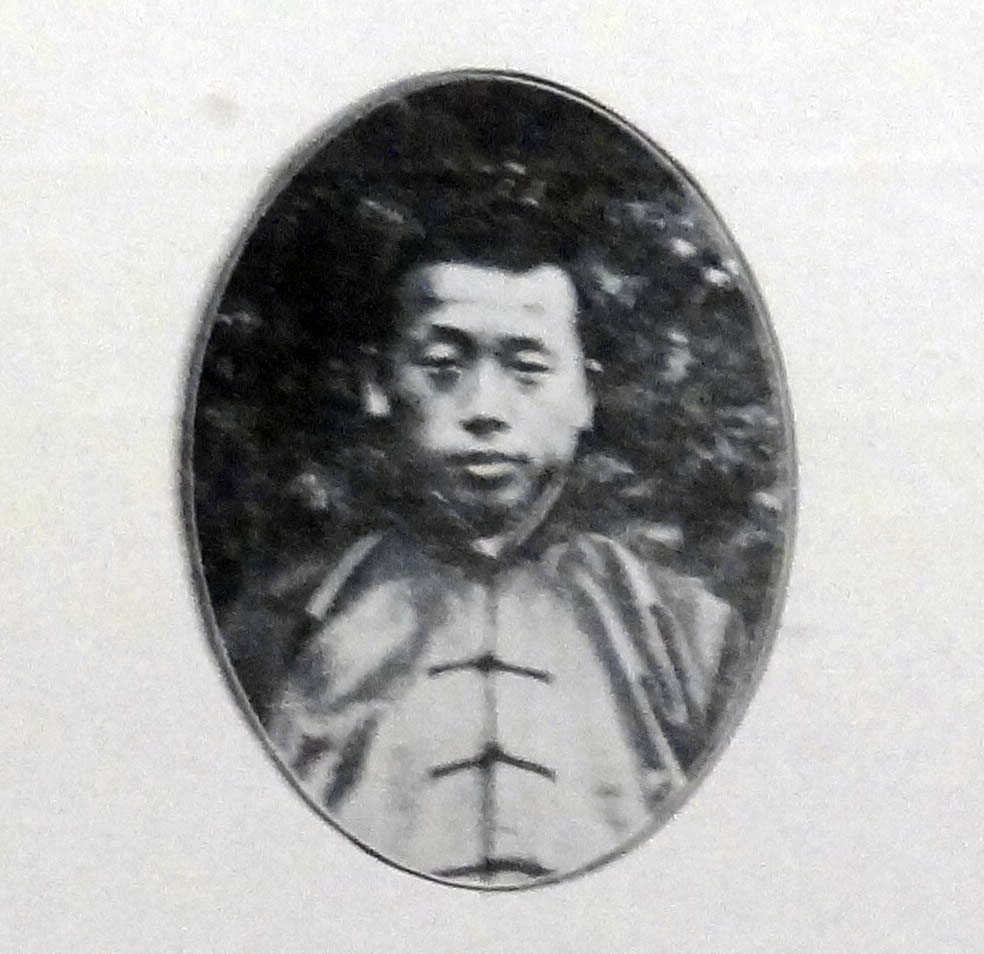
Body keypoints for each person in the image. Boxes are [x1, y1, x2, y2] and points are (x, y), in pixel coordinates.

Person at [220, 213, 746, 887]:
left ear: (586, 393)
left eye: (528, 368)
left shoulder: (691, 636)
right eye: (443, 366)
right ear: (378, 384)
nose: (485, 408)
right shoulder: (280, 630)